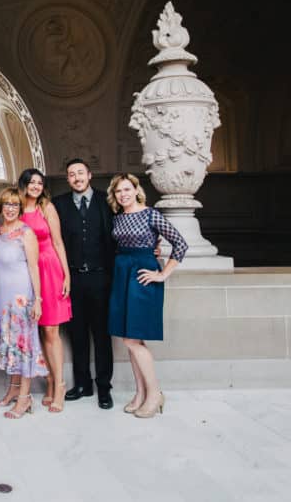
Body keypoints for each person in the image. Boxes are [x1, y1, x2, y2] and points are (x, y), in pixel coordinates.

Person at [107, 173, 187, 419]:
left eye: (127, 189)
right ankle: (140, 393)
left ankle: (155, 394)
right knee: (131, 340)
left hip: (142, 276)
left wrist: (162, 274)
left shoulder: (151, 214)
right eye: (119, 191)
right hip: (122, 274)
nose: (123, 194)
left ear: (136, 190)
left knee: (133, 340)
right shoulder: (118, 218)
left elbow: (181, 244)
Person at [51, 157, 117, 409]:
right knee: (77, 335)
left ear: (89, 175)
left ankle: (103, 388)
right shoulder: (59, 205)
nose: (76, 178)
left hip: (101, 277)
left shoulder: (106, 202)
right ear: (67, 179)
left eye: (80, 173)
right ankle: (82, 384)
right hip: (72, 279)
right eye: (71, 174)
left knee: (101, 336)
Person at [0, 187, 48, 419]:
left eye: (15, 205)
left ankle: (25, 398)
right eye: (7, 204)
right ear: (1, 207)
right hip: (2, 299)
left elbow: (34, 267)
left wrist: (38, 301)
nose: (10, 208)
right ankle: (13, 390)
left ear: (20, 208)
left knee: (23, 348)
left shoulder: (26, 233)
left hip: (21, 298)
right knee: (11, 347)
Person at [18, 169, 72, 413]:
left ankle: (60, 384)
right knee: (35, 330)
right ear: (24, 184)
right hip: (26, 272)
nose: (36, 186)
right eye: (32, 182)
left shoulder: (46, 208)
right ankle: (48, 380)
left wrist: (66, 274)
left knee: (51, 329)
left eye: (40, 182)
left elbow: (58, 242)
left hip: (49, 269)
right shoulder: (16, 207)